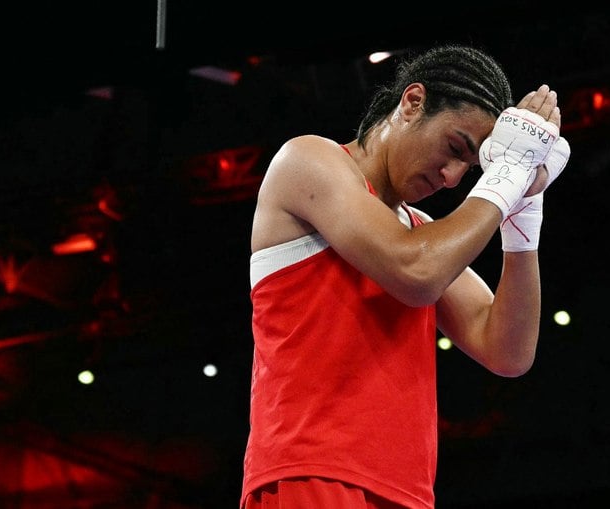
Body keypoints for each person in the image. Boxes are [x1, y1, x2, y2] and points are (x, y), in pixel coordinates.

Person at [241, 44, 571, 509]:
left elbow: (508, 351)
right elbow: (415, 271)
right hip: (313, 475)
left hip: (406, 491)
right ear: (413, 102)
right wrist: (507, 176)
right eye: (455, 148)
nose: (454, 177)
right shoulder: (309, 161)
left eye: (472, 167)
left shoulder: (419, 232)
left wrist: (523, 213)